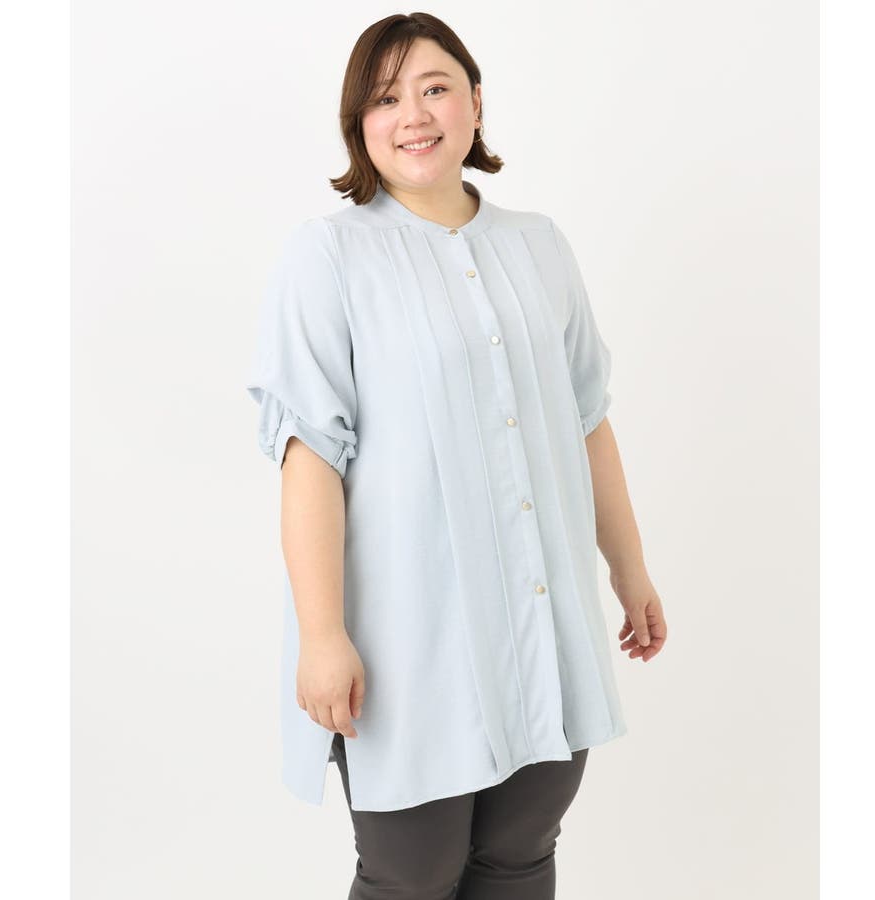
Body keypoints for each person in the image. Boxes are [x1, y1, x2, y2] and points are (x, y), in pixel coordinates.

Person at [245, 11, 668, 900]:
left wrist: (630, 573)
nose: (414, 115)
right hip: (410, 637)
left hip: (545, 623)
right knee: (411, 875)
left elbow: (587, 420)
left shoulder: (539, 245)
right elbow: (309, 455)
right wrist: (321, 635)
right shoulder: (330, 255)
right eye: (384, 98)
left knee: (521, 856)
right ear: (359, 124)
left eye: (434, 88)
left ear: (475, 102)